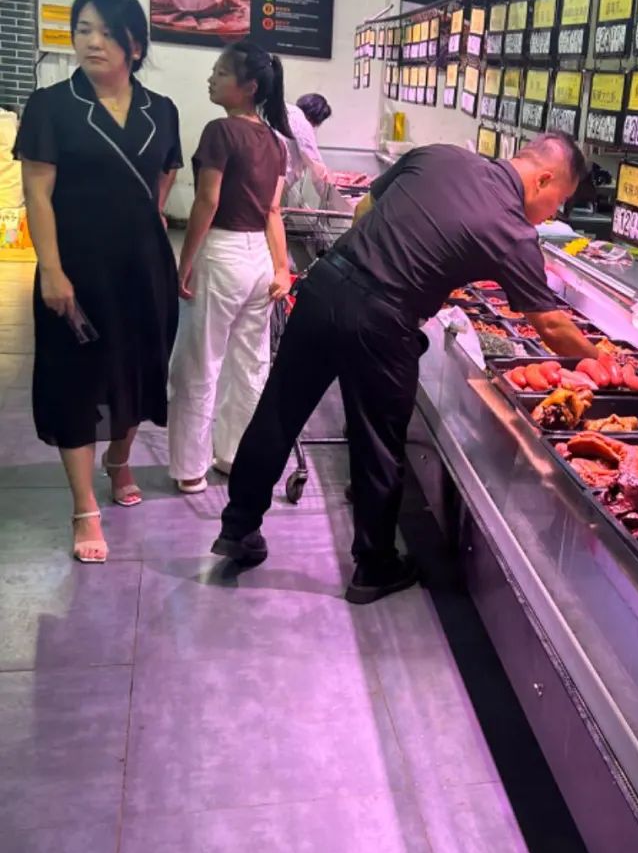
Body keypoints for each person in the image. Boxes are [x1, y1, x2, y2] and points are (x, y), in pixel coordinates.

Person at [213, 133, 597, 604]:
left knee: (278, 412)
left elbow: (364, 211)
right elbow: (551, 325)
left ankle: (237, 526)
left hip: (325, 285)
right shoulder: (512, 230)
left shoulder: (439, 155)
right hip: (382, 321)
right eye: (559, 200)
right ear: (543, 179)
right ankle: (374, 567)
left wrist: (385, 266)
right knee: (377, 443)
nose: (553, 213)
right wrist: (603, 362)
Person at [15, 0, 182, 563]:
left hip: (143, 265)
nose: (92, 42)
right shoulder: (52, 105)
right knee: (76, 380)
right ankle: (84, 506)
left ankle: (120, 458)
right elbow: (37, 193)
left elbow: (164, 174)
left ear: (135, 45)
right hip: (78, 266)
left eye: (108, 33)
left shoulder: (161, 109)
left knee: (137, 368)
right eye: (83, 29)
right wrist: (51, 270)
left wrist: (148, 219)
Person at [167, 42, 293, 493]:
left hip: (221, 253)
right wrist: (282, 268)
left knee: (198, 363)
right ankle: (236, 456)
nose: (211, 79)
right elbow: (273, 212)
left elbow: (207, 201)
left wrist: (185, 261)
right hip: (260, 262)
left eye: (220, 73)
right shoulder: (278, 143)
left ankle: (190, 469)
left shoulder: (220, 131)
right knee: (249, 365)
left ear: (249, 86)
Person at [282, 92, 331, 205]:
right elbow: (316, 167)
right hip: (275, 180)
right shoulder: (303, 123)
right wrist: (327, 198)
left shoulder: (287, 112)